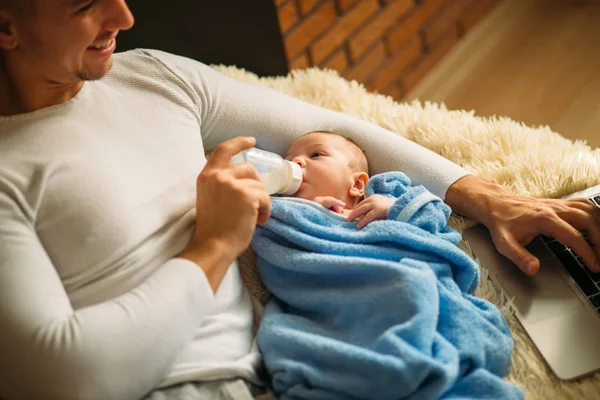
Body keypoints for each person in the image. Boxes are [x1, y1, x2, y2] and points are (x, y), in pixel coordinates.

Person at [0, 0, 598, 399]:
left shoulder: (153, 77)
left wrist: (488, 197)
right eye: (85, 4)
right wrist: (215, 245)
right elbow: (68, 374)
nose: (124, 16)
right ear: (7, 26)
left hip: (278, 374)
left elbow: (327, 128)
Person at [283, 130, 395, 227]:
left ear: (357, 184)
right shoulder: (278, 210)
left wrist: (393, 209)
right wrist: (310, 211)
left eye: (316, 155)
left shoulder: (376, 214)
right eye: (288, 161)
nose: (296, 161)